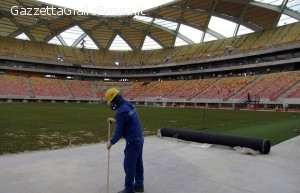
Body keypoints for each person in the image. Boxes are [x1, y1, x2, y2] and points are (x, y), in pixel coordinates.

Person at [105, 88, 144, 193]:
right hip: (140, 137)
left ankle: (129, 189)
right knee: (138, 163)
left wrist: (111, 142)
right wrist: (115, 121)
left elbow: (119, 132)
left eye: (111, 101)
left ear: (116, 99)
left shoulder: (121, 112)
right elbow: (127, 120)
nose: (111, 104)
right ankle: (139, 186)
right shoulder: (128, 104)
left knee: (129, 165)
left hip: (132, 141)